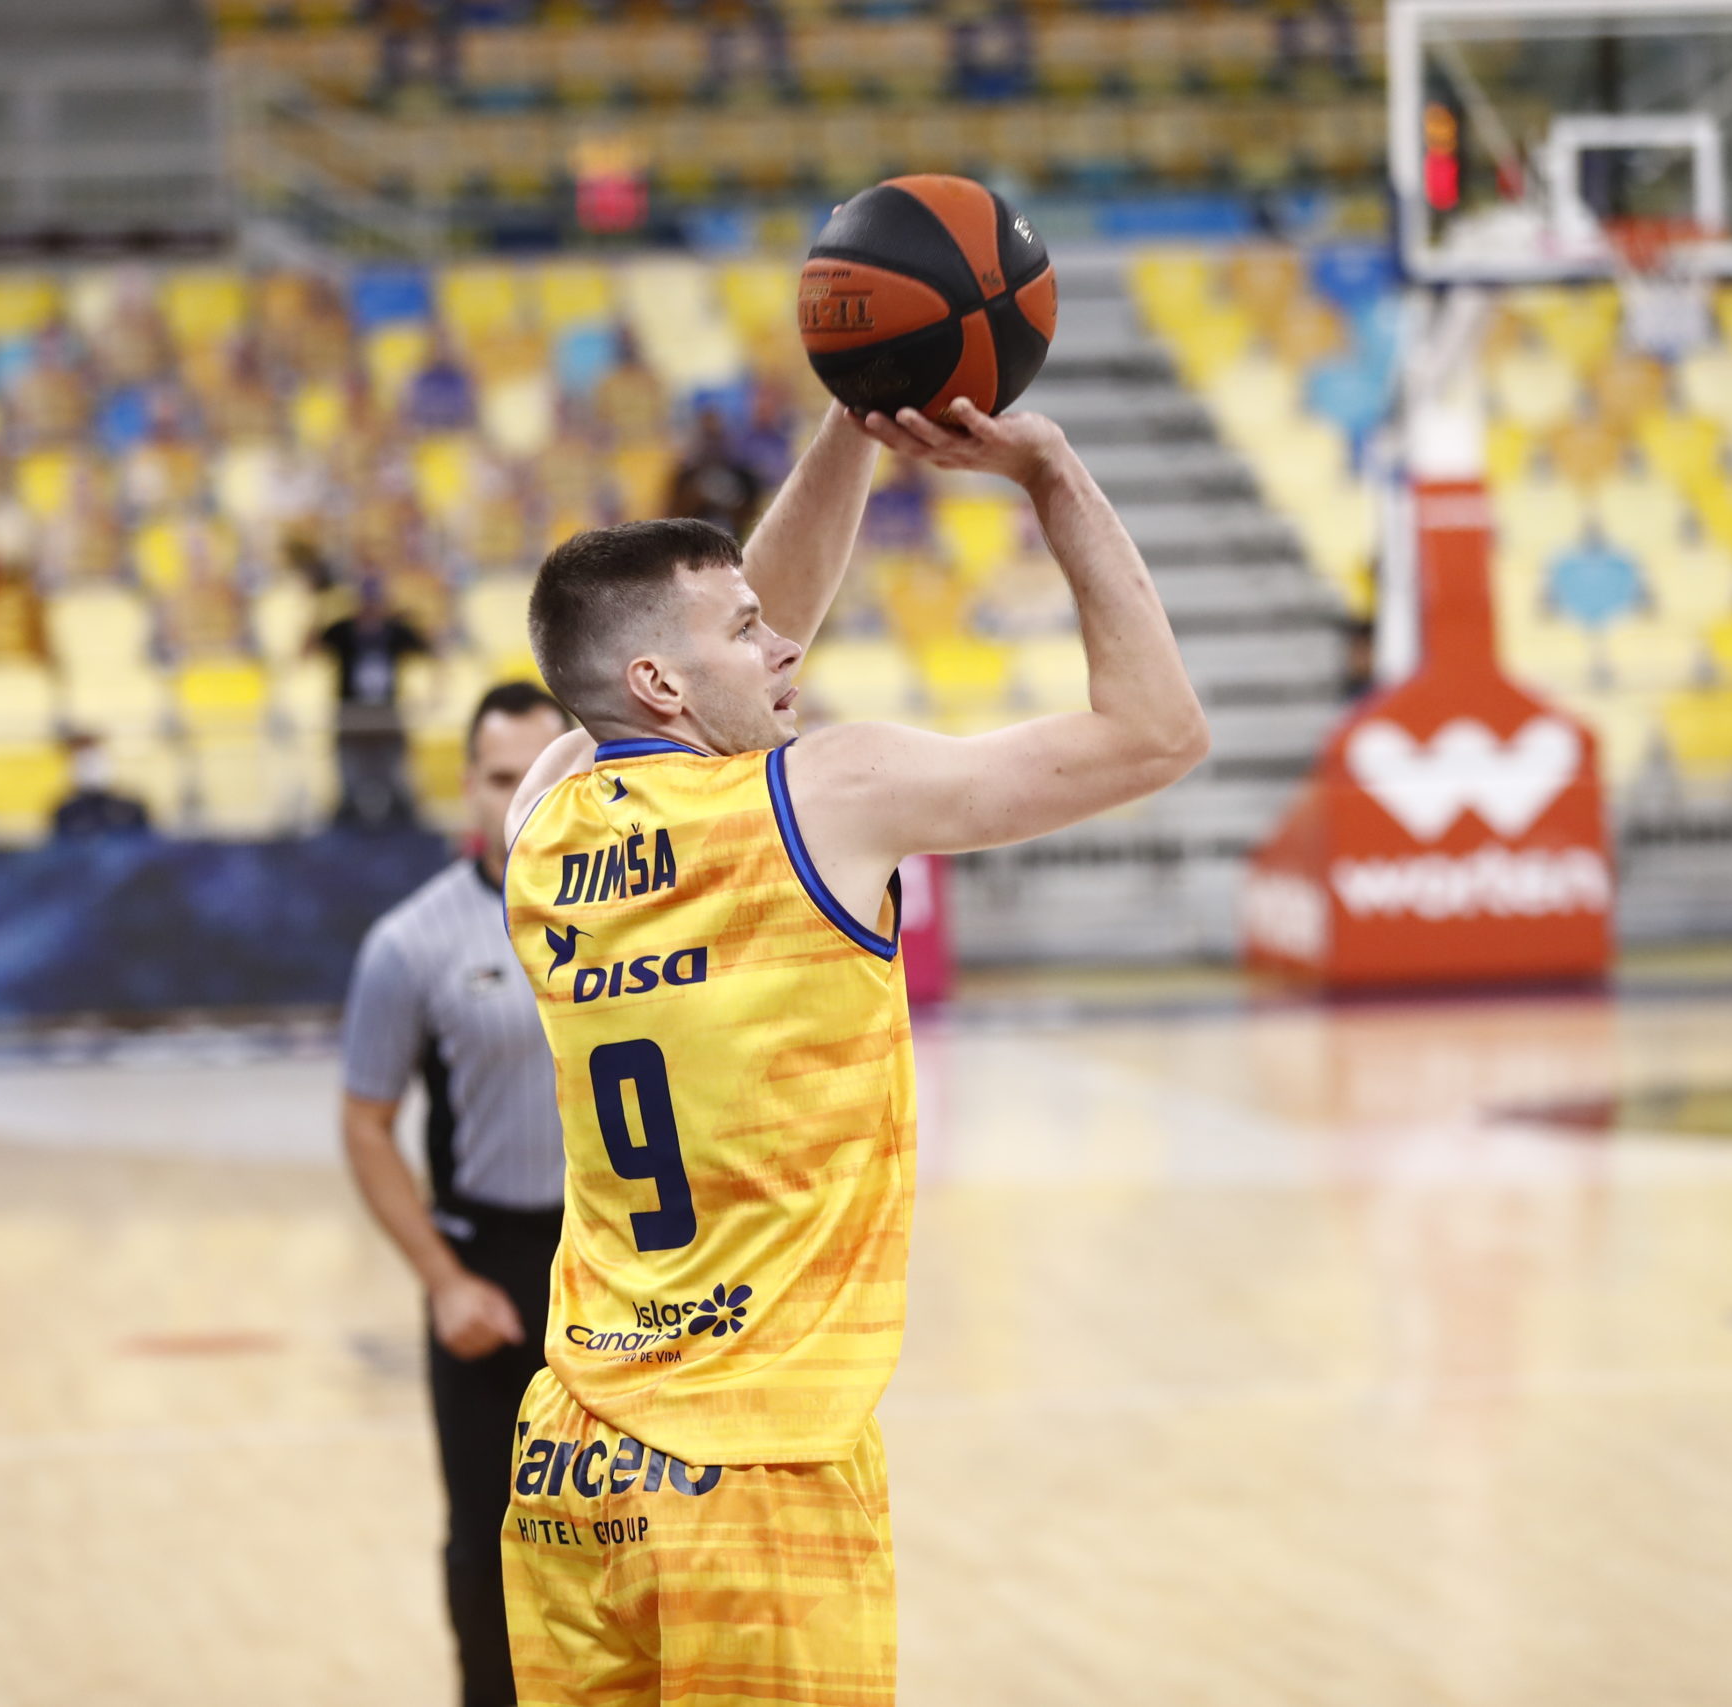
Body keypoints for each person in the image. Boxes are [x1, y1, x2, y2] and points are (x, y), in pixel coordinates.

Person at [498, 398, 1208, 1702]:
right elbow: (1158, 731)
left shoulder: (539, 821)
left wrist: (852, 422)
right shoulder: (826, 796)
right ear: (661, 683)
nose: (785, 642)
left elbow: (683, 663)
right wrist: (1051, 475)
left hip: (571, 1462)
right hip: (758, 1468)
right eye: (746, 631)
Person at [340, 681, 576, 1707]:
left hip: (626, 1275)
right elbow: (366, 1123)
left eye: (541, 775)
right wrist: (443, 1282)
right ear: (467, 788)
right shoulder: (409, 944)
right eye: (498, 777)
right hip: (492, 1272)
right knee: (488, 1544)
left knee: (645, 1536)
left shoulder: (644, 917)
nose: (520, 799)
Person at [316, 576, 433, 829]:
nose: (371, 609)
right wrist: (318, 611)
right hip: (352, 712)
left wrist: (433, 694)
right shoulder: (343, 630)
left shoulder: (395, 630)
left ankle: (404, 818)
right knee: (350, 771)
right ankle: (347, 816)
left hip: (386, 712)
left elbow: (430, 651)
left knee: (395, 771)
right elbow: (309, 648)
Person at [662, 400, 765, 539]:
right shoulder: (684, 476)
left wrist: (733, 505)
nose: (711, 446)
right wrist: (694, 498)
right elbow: (668, 516)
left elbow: (756, 518)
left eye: (716, 437)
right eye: (706, 437)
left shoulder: (744, 475)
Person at [49, 734, 152, 840]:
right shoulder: (68, 812)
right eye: (84, 761)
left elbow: (145, 841)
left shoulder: (129, 808)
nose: (91, 768)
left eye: (95, 759)